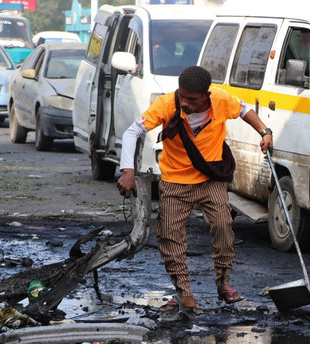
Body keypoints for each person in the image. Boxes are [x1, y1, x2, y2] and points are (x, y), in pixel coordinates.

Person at [117, 65, 273, 313]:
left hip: (210, 178)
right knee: (169, 235)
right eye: (182, 96)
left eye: (191, 99)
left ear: (205, 96)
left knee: (223, 225)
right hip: (175, 180)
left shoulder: (221, 100)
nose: (184, 103)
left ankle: (223, 282)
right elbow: (133, 131)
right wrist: (127, 171)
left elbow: (244, 109)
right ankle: (184, 293)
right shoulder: (167, 105)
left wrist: (264, 131)